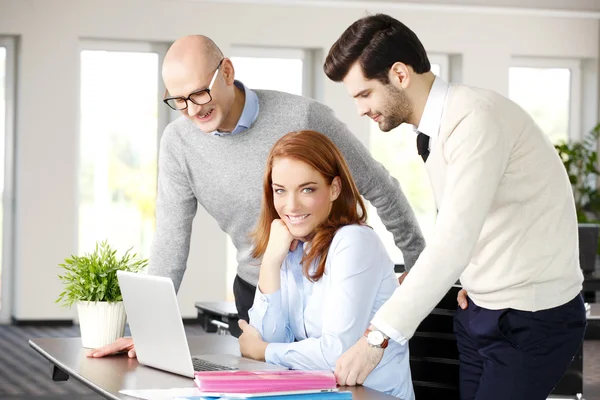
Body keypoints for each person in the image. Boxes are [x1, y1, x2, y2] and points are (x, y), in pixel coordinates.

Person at [87, 34, 425, 358]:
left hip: (326, 286)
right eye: (179, 101)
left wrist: (418, 270)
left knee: (332, 378)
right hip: (258, 289)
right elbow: (170, 240)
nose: (192, 110)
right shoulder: (178, 142)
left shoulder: (302, 117)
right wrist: (147, 331)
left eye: (200, 93)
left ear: (228, 72)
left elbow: (380, 186)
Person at [324, 14, 587, 400]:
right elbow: (475, 219)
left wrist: (375, 339)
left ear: (399, 74)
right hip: (481, 308)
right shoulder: (435, 128)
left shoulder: (476, 118)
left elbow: (453, 242)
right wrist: (473, 279)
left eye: (364, 95)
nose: (361, 109)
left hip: (531, 319)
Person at [236, 130, 414, 399]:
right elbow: (271, 337)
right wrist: (271, 263)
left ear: (334, 189)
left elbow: (335, 353)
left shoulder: (354, 242)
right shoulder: (292, 245)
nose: (291, 206)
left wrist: (262, 351)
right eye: (280, 191)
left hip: (371, 394)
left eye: (307, 189)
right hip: (318, 391)